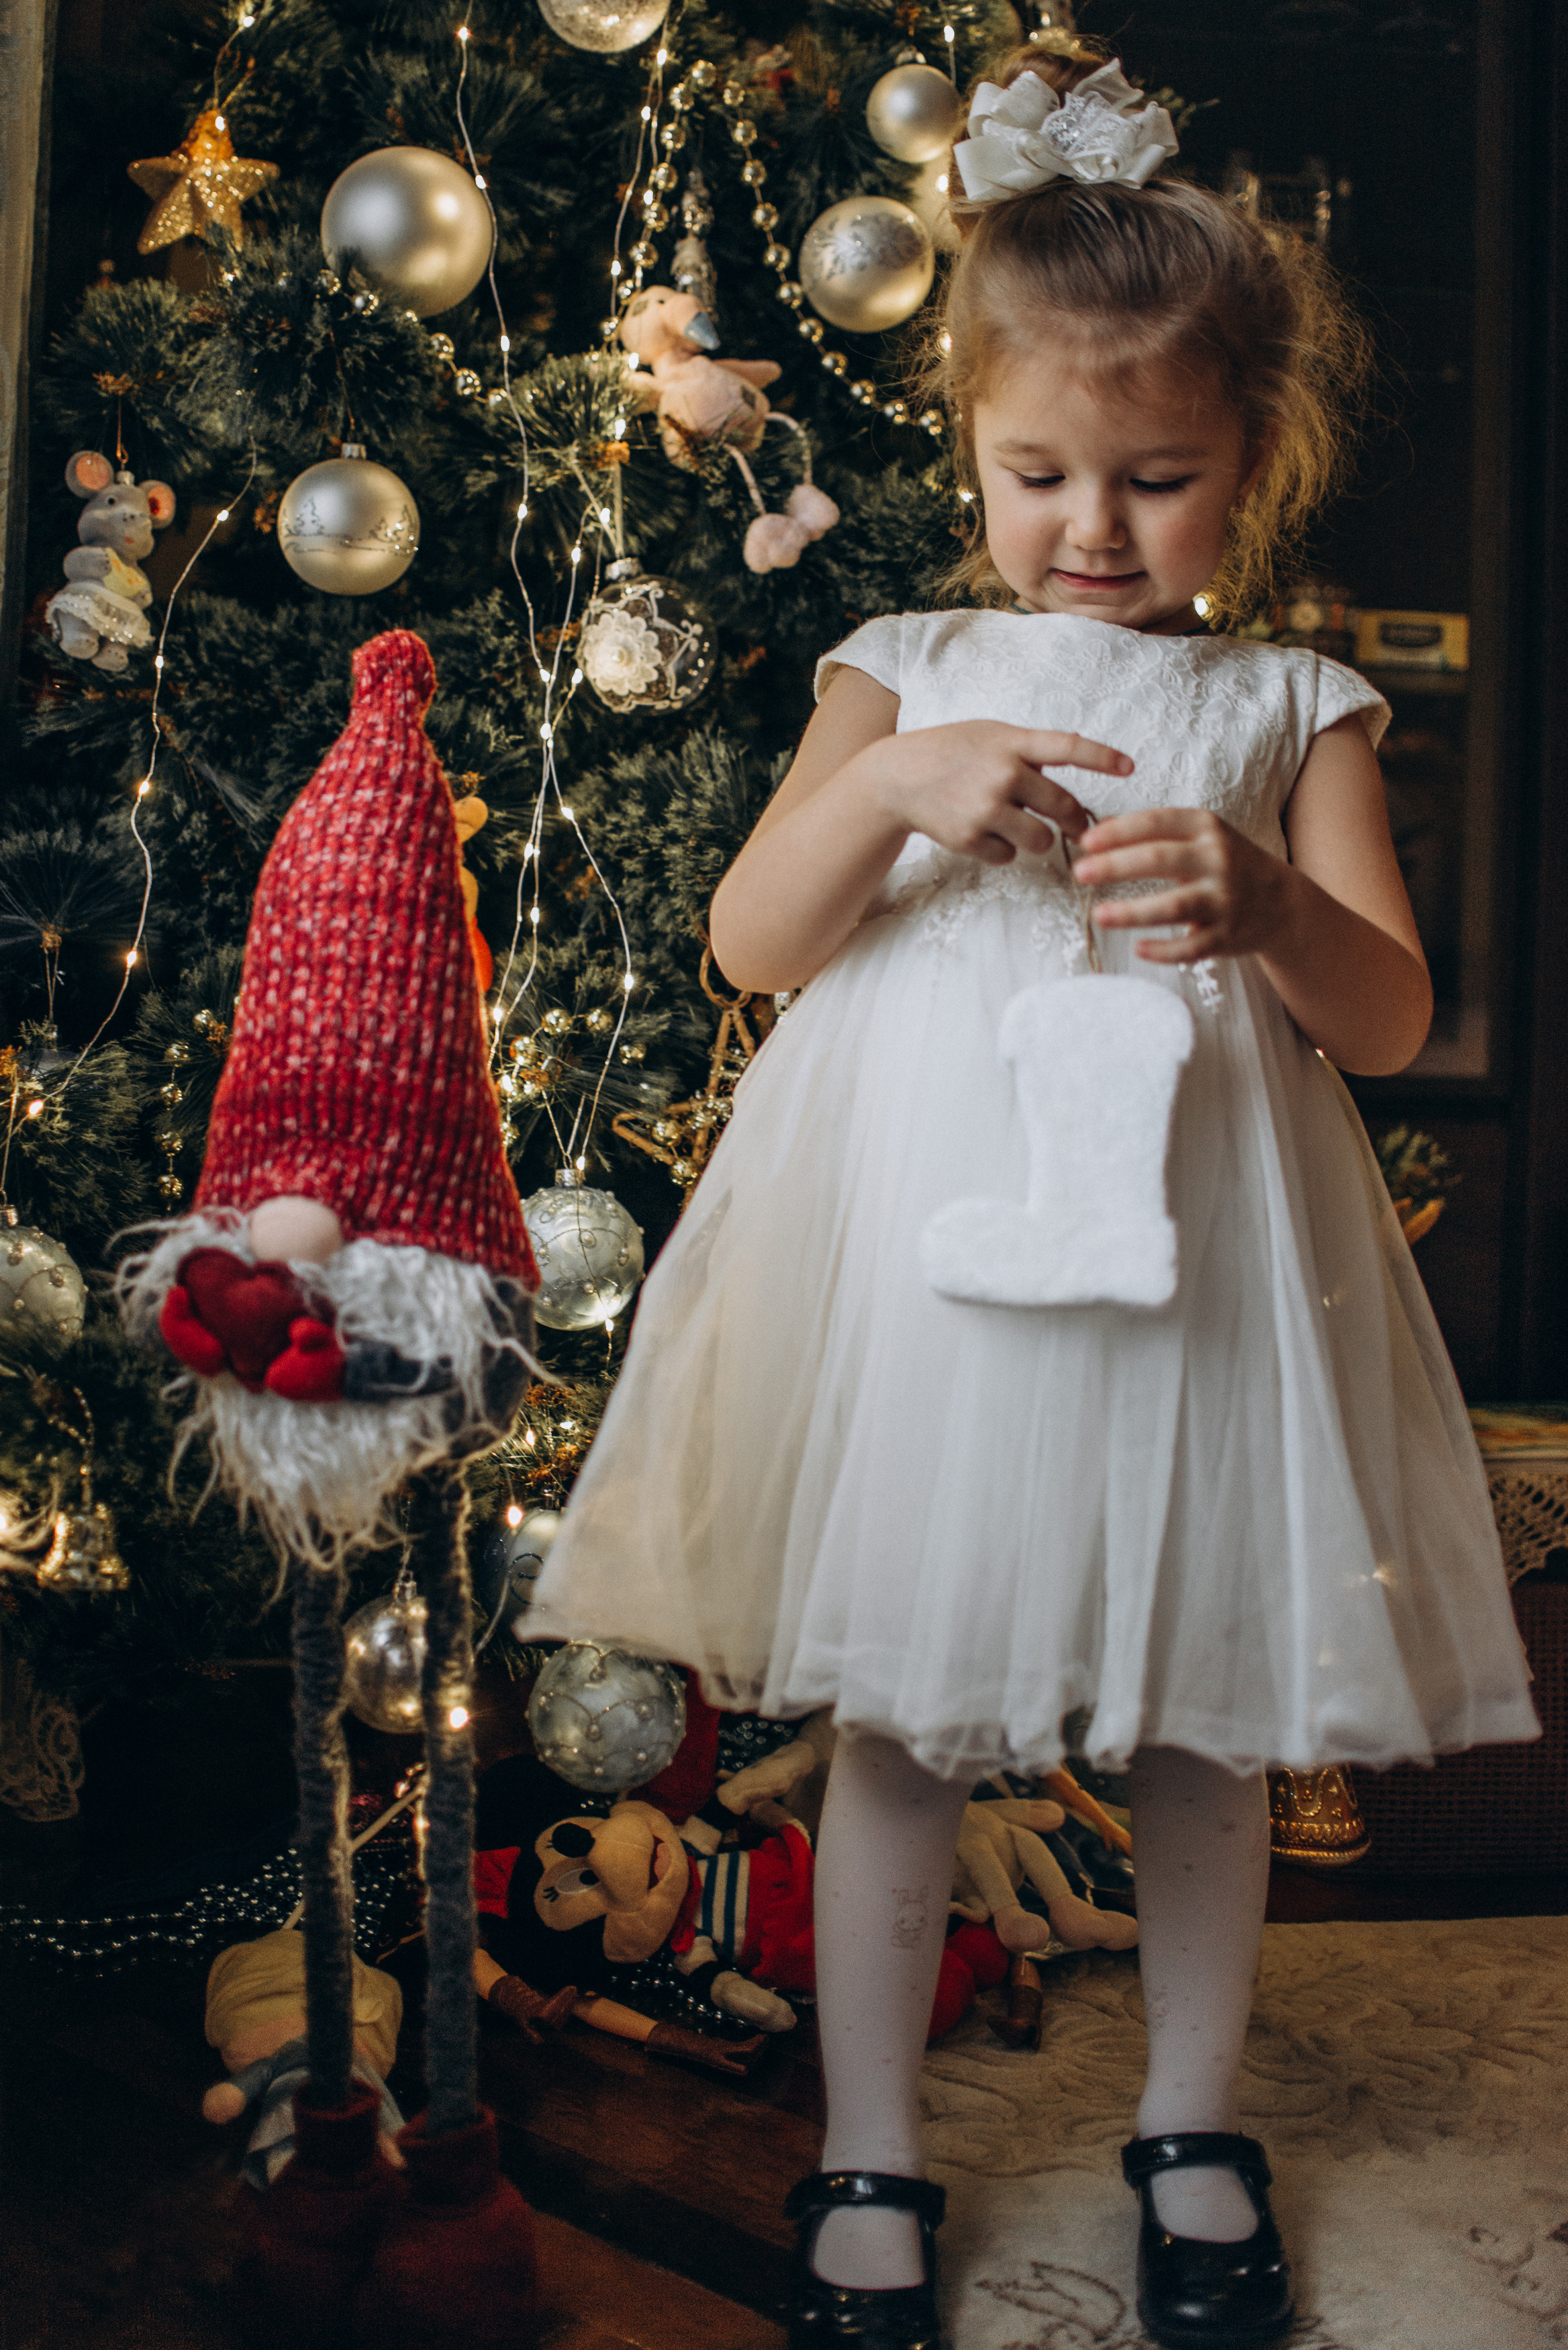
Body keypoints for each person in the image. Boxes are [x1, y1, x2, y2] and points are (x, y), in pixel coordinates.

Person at [526, 39, 1536, 2350]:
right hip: (939, 1287)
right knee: (902, 1713)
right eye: (1039, 472)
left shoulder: (1291, 704)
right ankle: (873, 2146)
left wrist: (1271, 906)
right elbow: (755, 943)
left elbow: (1386, 1013)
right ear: (968, 442)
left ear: (1251, 462)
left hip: (1194, 1275)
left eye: (1158, 480)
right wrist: (896, 793)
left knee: (1202, 1712)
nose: (1093, 526)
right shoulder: (906, 666)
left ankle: (1191, 2121)